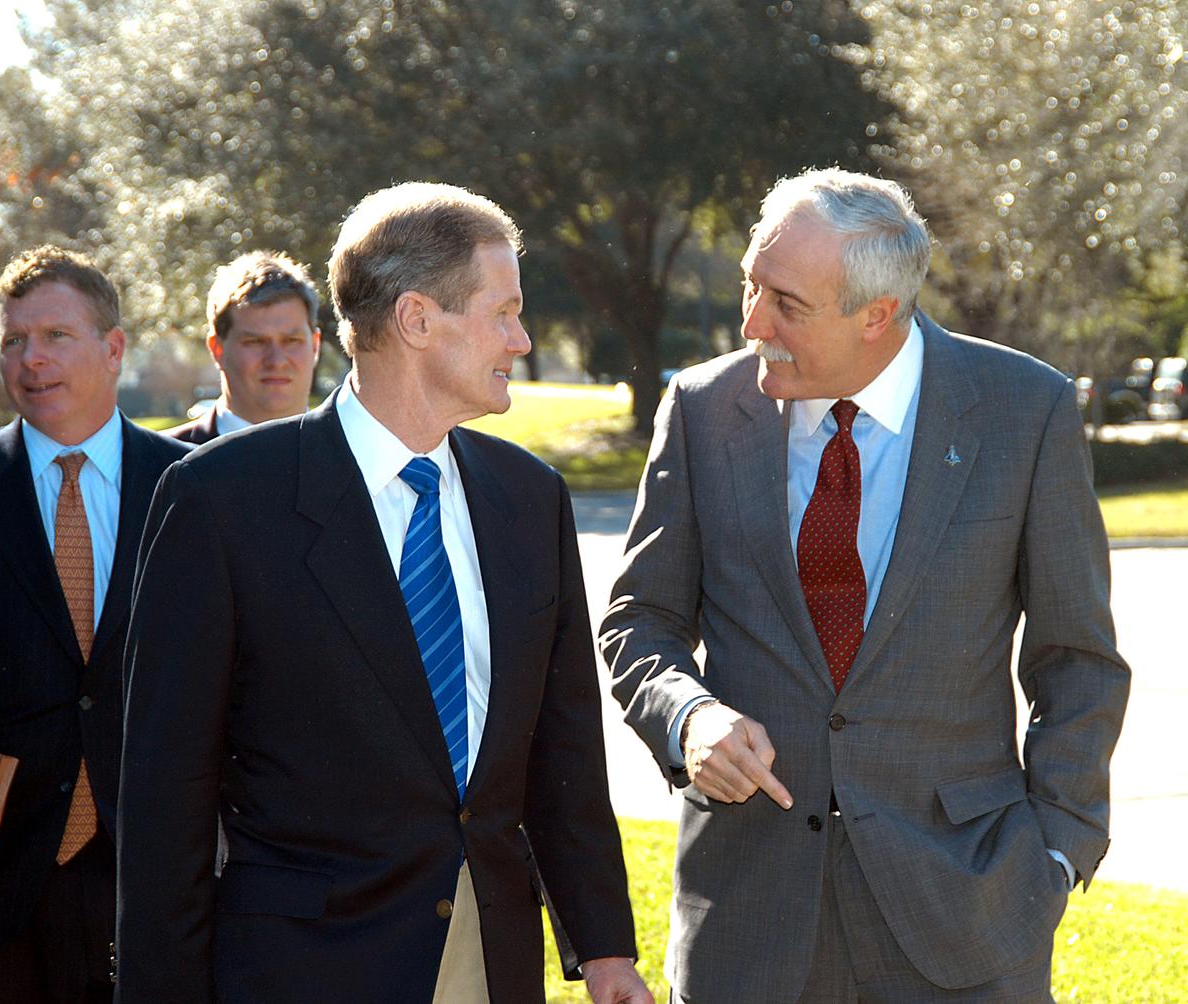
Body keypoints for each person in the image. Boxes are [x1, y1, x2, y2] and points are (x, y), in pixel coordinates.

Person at [598, 168, 1130, 1003]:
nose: (751, 323)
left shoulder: (1025, 410)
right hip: (749, 922)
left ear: (877, 315)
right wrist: (689, 715)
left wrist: (1057, 853)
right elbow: (641, 619)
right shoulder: (702, 410)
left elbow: (1078, 661)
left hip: (968, 916)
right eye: (750, 285)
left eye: (786, 304)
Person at [117, 182, 651, 1003]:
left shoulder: (528, 497)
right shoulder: (222, 500)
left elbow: (563, 747)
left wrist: (607, 947)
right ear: (416, 320)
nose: (523, 336)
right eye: (503, 312)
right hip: (301, 971)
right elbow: (166, 792)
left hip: (489, 957)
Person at [0, 246, 189, 1003]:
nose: (31, 360)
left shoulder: (194, 487)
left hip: (156, 866)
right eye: (13, 341)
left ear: (114, 348)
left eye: (55, 337)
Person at [166, 250, 322, 444]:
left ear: (315, 345)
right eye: (255, 342)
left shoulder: (358, 457)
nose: (277, 361)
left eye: (292, 341)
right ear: (216, 349)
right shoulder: (161, 464)